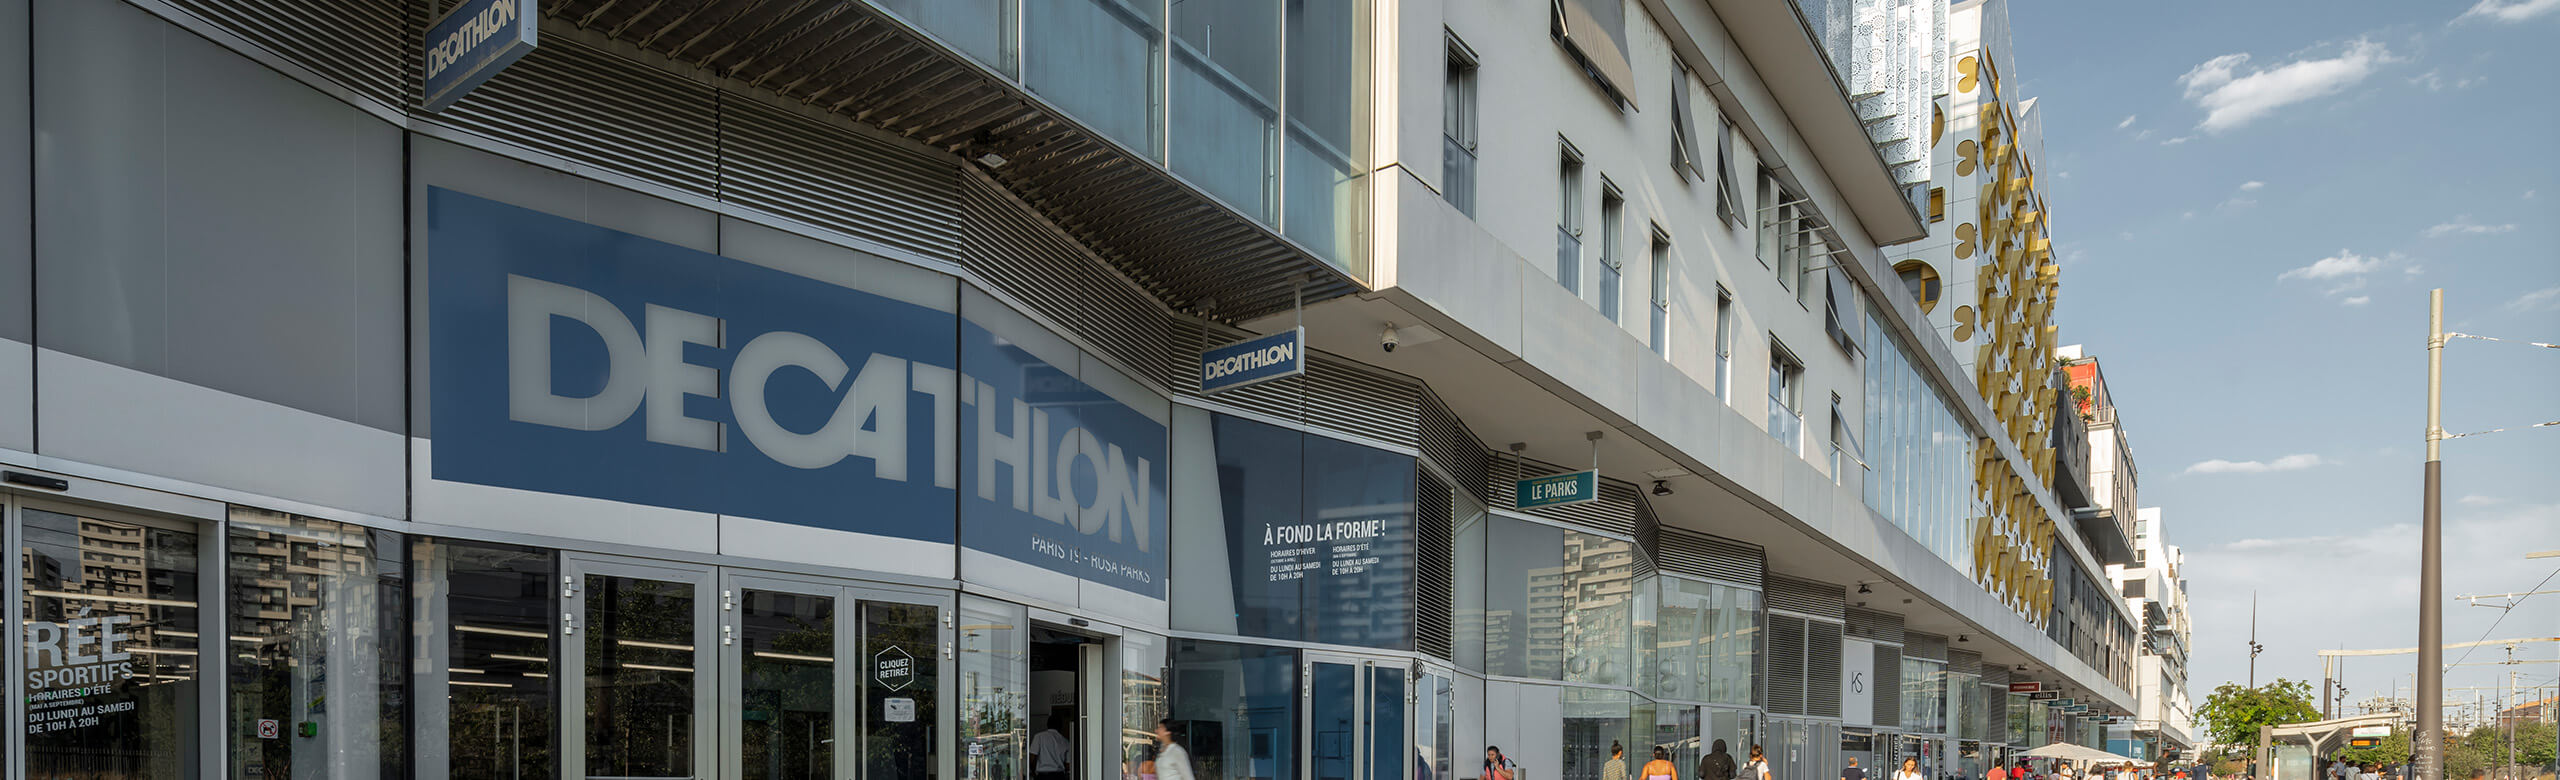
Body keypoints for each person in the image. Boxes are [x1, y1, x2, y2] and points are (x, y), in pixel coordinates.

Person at [1032, 714, 1074, 780]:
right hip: (1059, 776)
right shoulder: (1065, 741)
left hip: (1043, 776)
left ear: (1047, 725)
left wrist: (1033, 773)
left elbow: (1032, 757)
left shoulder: (1039, 737)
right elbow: (1068, 765)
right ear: (1060, 726)